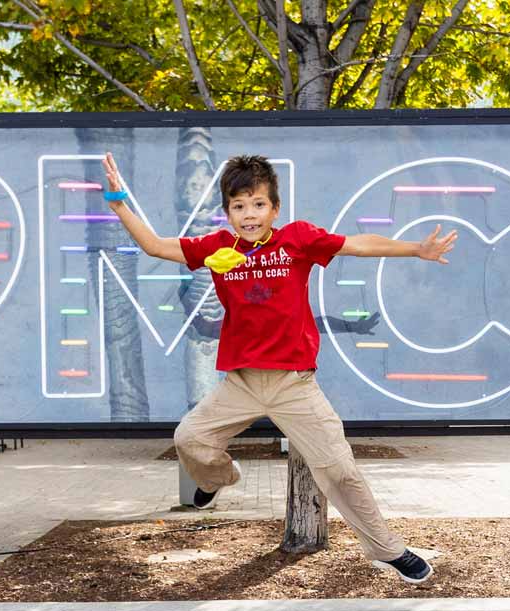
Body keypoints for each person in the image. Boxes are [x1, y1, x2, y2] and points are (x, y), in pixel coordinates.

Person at [101, 153, 457, 584]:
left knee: (339, 468)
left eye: (257, 205)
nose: (248, 214)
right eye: (238, 206)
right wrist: (120, 203)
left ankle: (387, 549)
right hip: (242, 383)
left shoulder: (297, 240)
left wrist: (416, 249)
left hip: (293, 384)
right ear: (227, 211)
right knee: (189, 439)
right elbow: (156, 246)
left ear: (274, 209)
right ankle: (219, 478)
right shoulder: (216, 248)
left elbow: (357, 244)